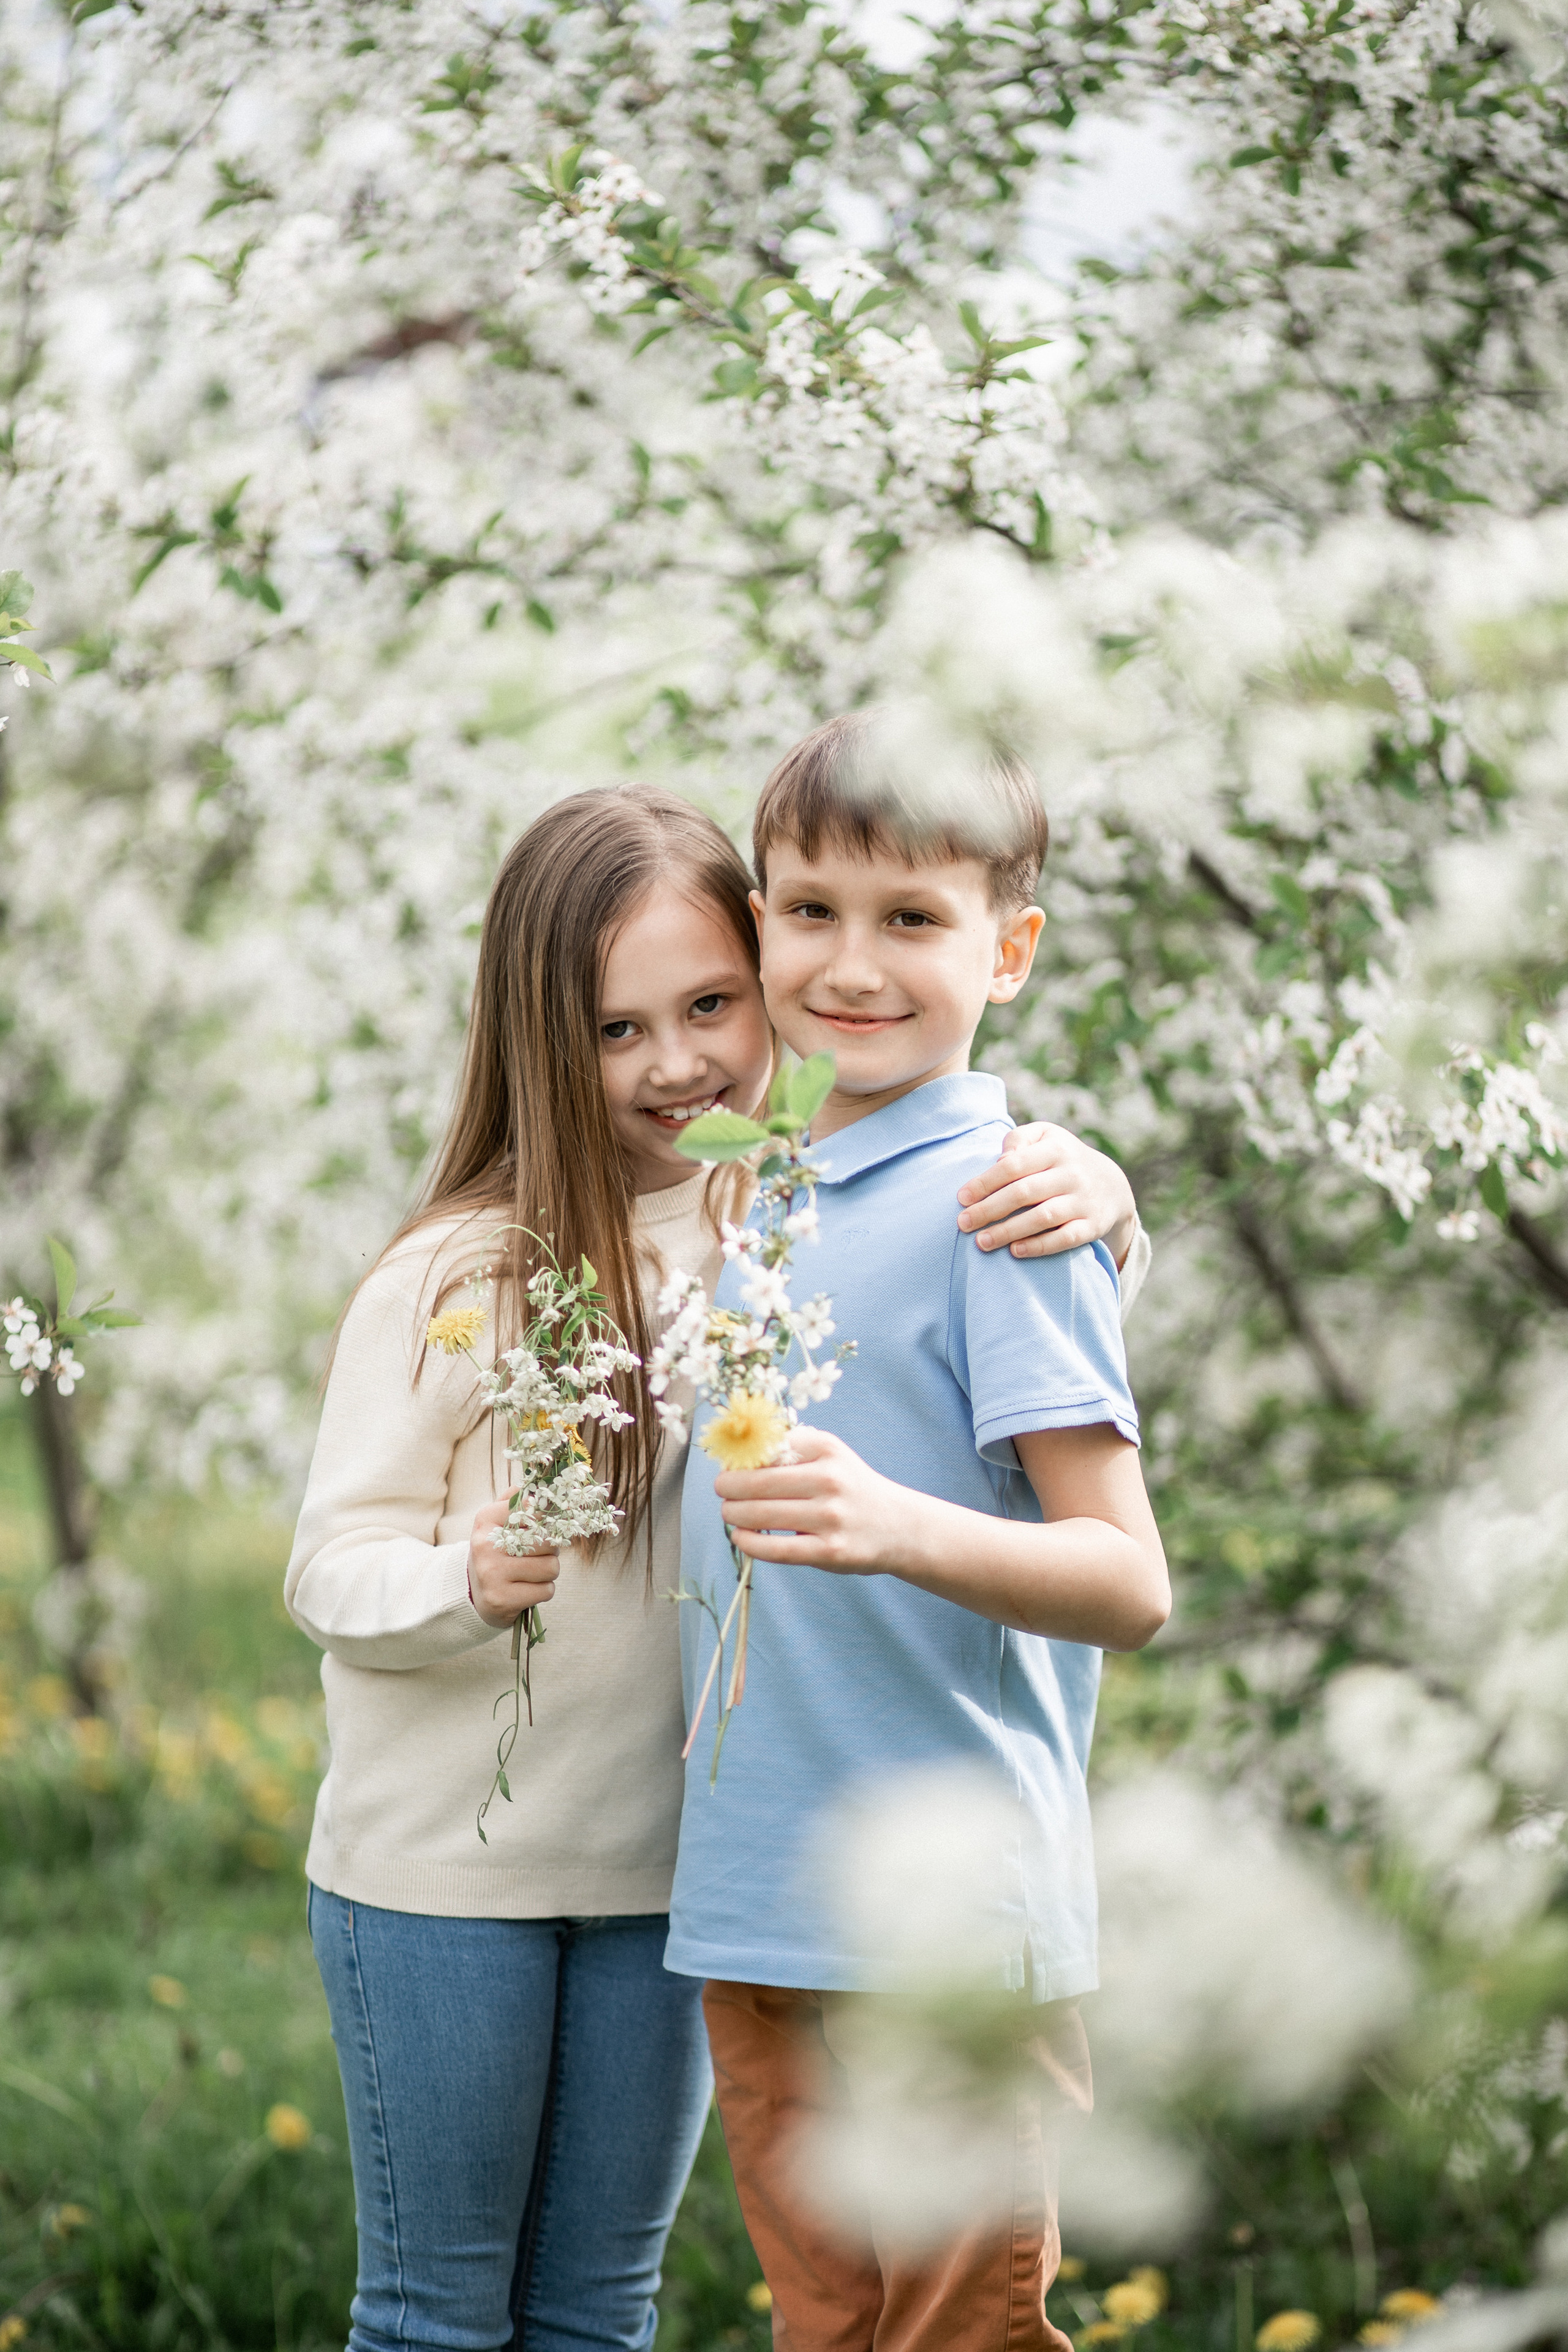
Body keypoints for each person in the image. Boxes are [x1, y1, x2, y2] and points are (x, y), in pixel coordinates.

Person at [284, 780, 1152, 2352]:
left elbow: (957, 1289)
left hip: (678, 1883)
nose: (678, 1063)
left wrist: (1101, 1197)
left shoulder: (770, 1207)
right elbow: (327, 1566)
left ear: (761, 982)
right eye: (619, 1030)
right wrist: (458, 1581)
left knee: (599, 2310)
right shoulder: (454, 1274)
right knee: (434, 2313)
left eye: (708, 1007)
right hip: (446, 1875)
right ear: (542, 1038)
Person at [665, 716, 1171, 2352]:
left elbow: (1126, 1582)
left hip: (939, 1928)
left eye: (912, 919)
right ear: (754, 924)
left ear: (1008, 950)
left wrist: (895, 1526)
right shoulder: (766, 1194)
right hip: (758, 1905)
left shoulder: (1007, 1211)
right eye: (809, 910)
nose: (852, 963)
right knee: (831, 2330)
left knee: (959, 2334)